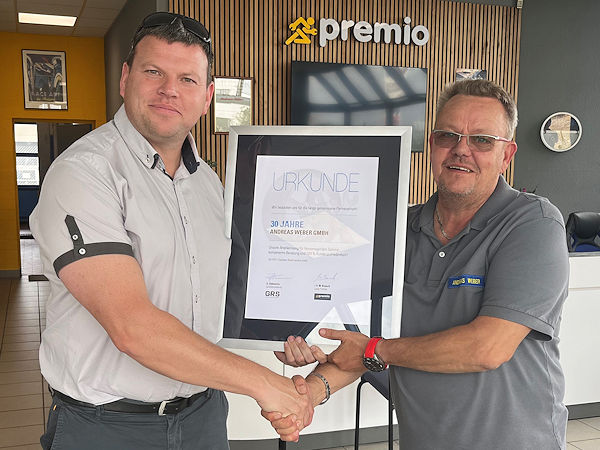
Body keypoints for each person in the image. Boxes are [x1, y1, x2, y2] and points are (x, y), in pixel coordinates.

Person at [30, 12, 311, 450]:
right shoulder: (84, 173)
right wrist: (266, 386)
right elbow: (132, 326)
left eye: (187, 79)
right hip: (108, 427)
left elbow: (226, 291)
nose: (169, 91)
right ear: (125, 79)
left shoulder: (210, 184)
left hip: (203, 417)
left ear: (207, 97)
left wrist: (286, 331)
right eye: (154, 72)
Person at [269, 79, 570, 449]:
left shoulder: (532, 223)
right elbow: (362, 340)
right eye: (447, 136)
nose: (461, 150)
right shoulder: (397, 230)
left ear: (507, 155)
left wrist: (373, 349)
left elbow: (487, 348)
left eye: (481, 140)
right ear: (431, 146)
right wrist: (308, 394)